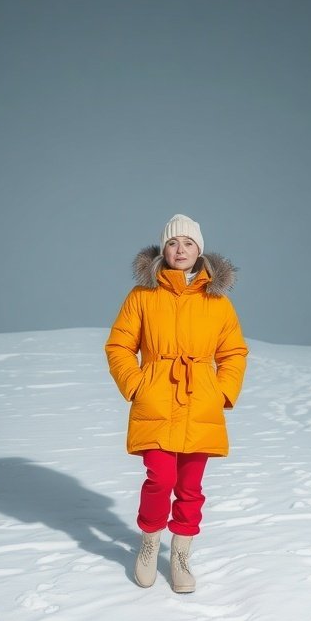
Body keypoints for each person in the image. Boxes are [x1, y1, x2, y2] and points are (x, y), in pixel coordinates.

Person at [105, 215, 248, 593]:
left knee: (190, 485)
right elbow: (119, 346)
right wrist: (138, 385)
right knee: (160, 477)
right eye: (173, 243)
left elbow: (233, 352)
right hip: (156, 398)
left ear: (199, 250)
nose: (180, 249)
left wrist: (220, 392)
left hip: (200, 401)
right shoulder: (142, 296)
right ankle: (150, 542)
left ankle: (181, 552)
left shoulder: (217, 302)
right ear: (162, 250)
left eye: (187, 243)